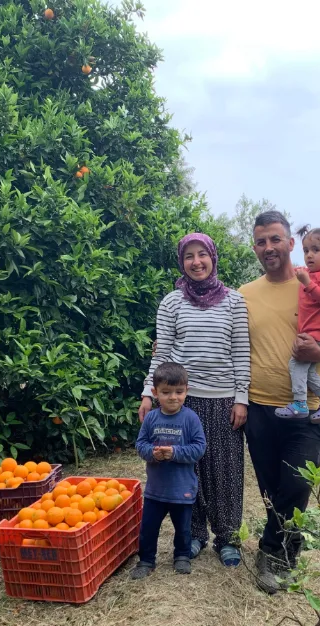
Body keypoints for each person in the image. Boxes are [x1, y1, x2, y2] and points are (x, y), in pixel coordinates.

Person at [239, 211, 320, 594]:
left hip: (305, 411)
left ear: (289, 244)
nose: (268, 247)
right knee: (271, 488)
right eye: (261, 241)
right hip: (258, 407)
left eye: (275, 239)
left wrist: (319, 347)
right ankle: (279, 546)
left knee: (298, 482)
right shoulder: (244, 295)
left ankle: (278, 552)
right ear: (255, 247)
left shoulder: (312, 282)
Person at [139, 232, 250, 567]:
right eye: (189, 256)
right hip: (181, 401)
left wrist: (241, 398)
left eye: (203, 254)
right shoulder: (172, 302)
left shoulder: (234, 302)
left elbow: (241, 352)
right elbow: (163, 353)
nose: (197, 262)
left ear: (213, 258)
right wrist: (149, 392)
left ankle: (228, 537)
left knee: (226, 469)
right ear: (181, 262)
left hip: (223, 397)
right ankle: (196, 534)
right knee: (190, 468)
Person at [132, 362, 207, 579]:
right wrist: (152, 454)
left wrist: (174, 452)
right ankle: (146, 560)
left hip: (182, 488)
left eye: (179, 392)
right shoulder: (152, 418)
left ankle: (182, 556)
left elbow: (199, 449)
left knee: (183, 527)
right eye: (166, 392)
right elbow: (141, 444)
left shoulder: (190, 418)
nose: (173, 397)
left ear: (186, 391)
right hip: (156, 489)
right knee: (148, 528)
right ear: (155, 393)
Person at [276, 223, 320, 422]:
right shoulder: (313, 274)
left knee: (295, 364)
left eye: (316, 250)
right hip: (314, 332)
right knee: (308, 371)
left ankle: (299, 404)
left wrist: (307, 282)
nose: (309, 255)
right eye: (306, 251)